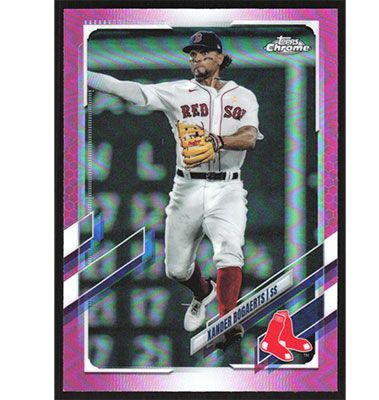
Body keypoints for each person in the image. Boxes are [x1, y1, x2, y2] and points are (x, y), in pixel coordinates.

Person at [87, 31, 263, 350]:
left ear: (220, 58)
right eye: (193, 54)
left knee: (229, 250)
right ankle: (202, 292)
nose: (197, 58)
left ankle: (228, 319)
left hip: (227, 187)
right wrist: (85, 76)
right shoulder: (177, 92)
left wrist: (218, 141)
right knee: (176, 269)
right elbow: (131, 90)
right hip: (187, 186)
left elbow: (250, 137)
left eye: (204, 52)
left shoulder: (243, 96)